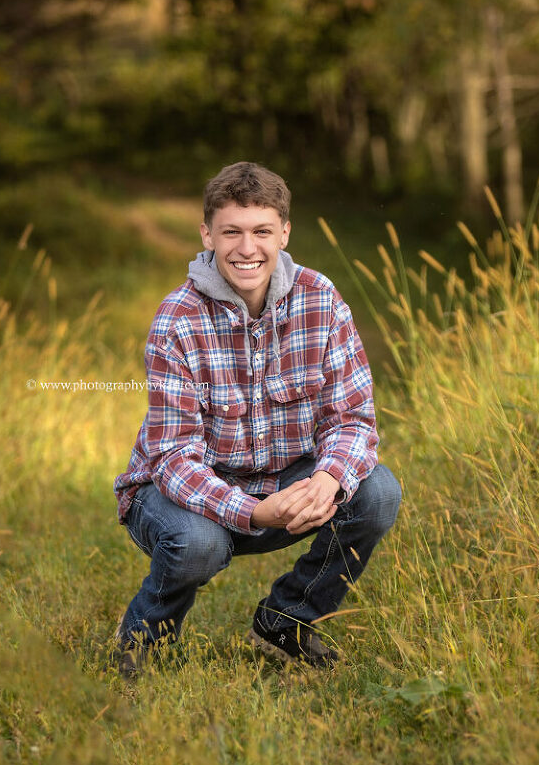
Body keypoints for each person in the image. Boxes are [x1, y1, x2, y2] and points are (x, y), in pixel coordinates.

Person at [114, 161, 401, 675]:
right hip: (182, 496)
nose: (248, 248)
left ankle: (286, 621)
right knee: (199, 544)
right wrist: (254, 512)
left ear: (285, 232)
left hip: (285, 483)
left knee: (377, 491)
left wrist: (329, 478)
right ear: (207, 234)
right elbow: (175, 458)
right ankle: (145, 643)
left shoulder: (321, 300)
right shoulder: (177, 321)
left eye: (262, 231)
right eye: (232, 232)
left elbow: (352, 419)